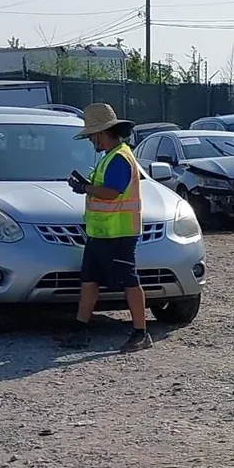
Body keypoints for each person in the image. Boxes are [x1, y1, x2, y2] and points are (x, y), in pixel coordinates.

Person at [58, 103, 152, 352]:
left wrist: (84, 188)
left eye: (92, 136)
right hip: (101, 233)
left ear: (101, 133)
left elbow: (112, 192)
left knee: (129, 281)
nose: (91, 141)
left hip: (118, 234)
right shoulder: (112, 156)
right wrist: (87, 186)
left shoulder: (119, 157)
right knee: (89, 279)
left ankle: (141, 333)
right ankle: (80, 329)